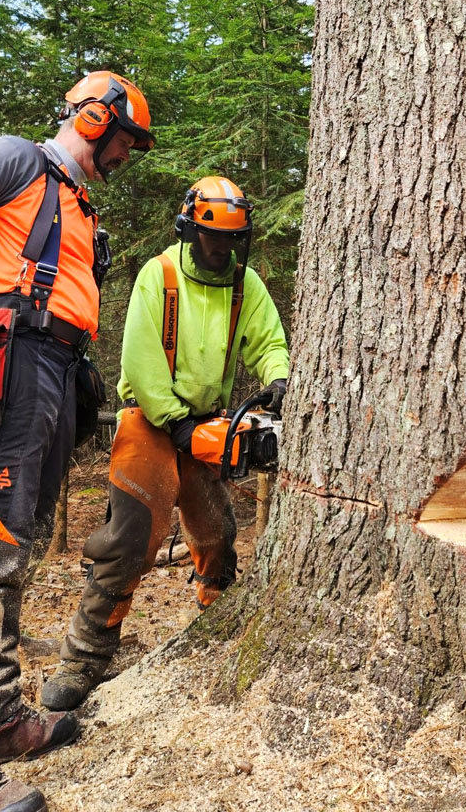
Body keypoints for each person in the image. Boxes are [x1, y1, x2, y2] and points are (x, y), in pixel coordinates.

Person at [0, 72, 155, 812]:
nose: (127, 156)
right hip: (3, 363)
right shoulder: (18, 159)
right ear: (96, 119)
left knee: (19, 548)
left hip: (49, 369)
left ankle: (3, 717)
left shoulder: (74, 201)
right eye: (125, 141)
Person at [40, 176, 289, 712]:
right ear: (191, 229)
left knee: (218, 531)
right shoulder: (161, 275)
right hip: (149, 421)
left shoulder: (245, 286)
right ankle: (83, 656)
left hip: (205, 422)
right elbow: (140, 359)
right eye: (210, 237)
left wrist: (278, 378)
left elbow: (268, 341)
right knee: (129, 539)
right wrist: (173, 421)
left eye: (229, 239)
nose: (219, 247)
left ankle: (217, 623)